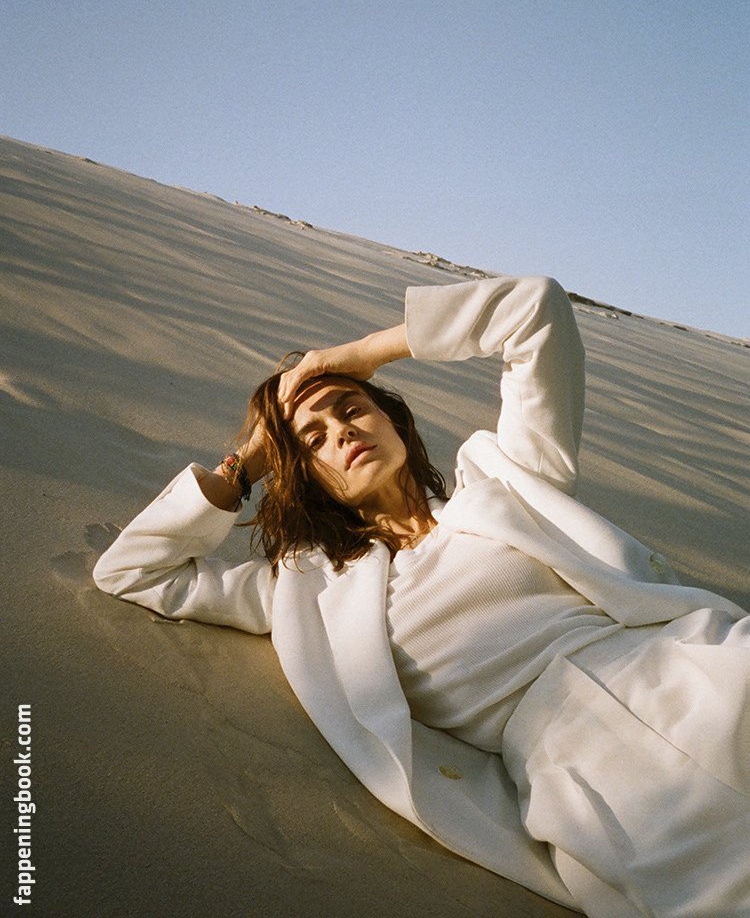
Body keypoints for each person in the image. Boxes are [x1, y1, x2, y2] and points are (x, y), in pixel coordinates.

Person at [94, 274, 750, 917]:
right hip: (586, 777)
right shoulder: (309, 591)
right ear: (302, 474)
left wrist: (359, 355)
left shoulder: (504, 483)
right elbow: (135, 572)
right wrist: (248, 461)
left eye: (351, 408)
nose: (342, 432)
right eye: (312, 439)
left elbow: (536, 309)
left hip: (696, 671)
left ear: (393, 420)